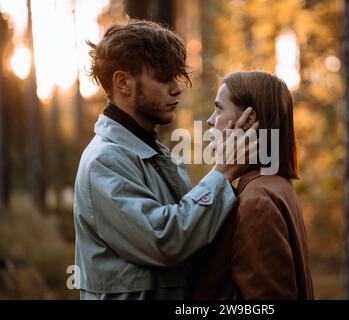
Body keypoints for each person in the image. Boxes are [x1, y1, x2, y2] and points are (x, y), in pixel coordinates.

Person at [73, 20, 257, 300]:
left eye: (177, 77)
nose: (176, 89)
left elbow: (193, 238)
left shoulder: (155, 154)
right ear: (123, 82)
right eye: (162, 77)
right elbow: (165, 241)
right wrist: (223, 171)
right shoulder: (106, 161)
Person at [190, 71, 314, 300]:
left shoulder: (257, 200)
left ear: (248, 120)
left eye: (218, 108)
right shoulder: (273, 184)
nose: (209, 120)